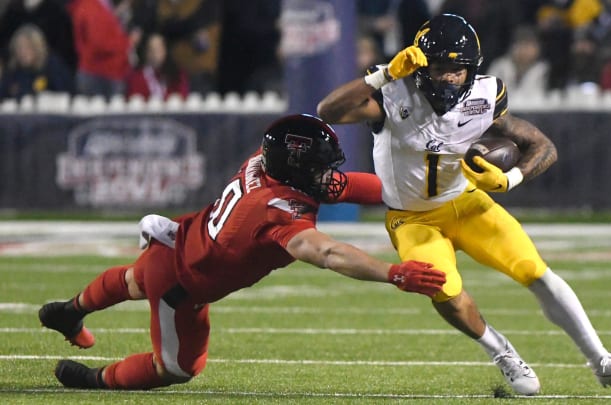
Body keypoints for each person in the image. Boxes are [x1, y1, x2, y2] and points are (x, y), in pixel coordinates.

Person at [317, 13, 611, 396]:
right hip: (412, 218)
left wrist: (510, 179)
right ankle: (502, 352)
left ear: (471, 70)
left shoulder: (486, 94)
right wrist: (382, 75)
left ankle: (602, 360)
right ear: (420, 65)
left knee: (534, 270)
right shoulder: (394, 91)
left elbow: (543, 146)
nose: (447, 77)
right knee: (442, 288)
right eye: (439, 67)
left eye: (456, 70)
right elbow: (327, 111)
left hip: (468, 202)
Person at [38, 114, 446, 390]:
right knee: (178, 368)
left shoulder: (264, 163)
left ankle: (71, 310)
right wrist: (393, 273)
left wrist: (418, 197)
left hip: (177, 238)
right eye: (320, 167)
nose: (329, 175)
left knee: (132, 280)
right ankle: (94, 380)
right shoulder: (276, 213)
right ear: (297, 169)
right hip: (182, 283)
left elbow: (345, 186)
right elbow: (328, 253)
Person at [0, 23, 74, 99]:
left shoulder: (52, 66)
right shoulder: (13, 70)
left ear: (38, 48)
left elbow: (65, 92)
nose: (23, 52)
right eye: (19, 48)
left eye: (28, 47)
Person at [126, 33, 189, 100]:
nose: (155, 54)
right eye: (152, 49)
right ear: (146, 52)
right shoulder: (136, 76)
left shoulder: (177, 74)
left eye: (159, 49)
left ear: (165, 50)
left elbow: (182, 97)